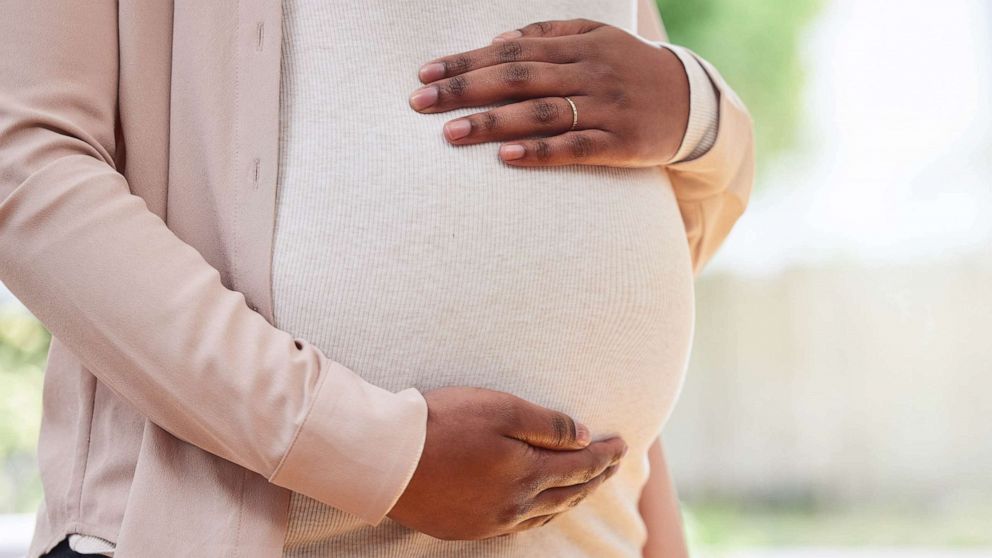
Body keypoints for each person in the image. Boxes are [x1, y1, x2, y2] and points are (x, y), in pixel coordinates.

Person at [0, 1, 753, 557]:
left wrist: (699, 113)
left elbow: (664, 215)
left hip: (591, 528)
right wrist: (375, 451)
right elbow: (25, 164)